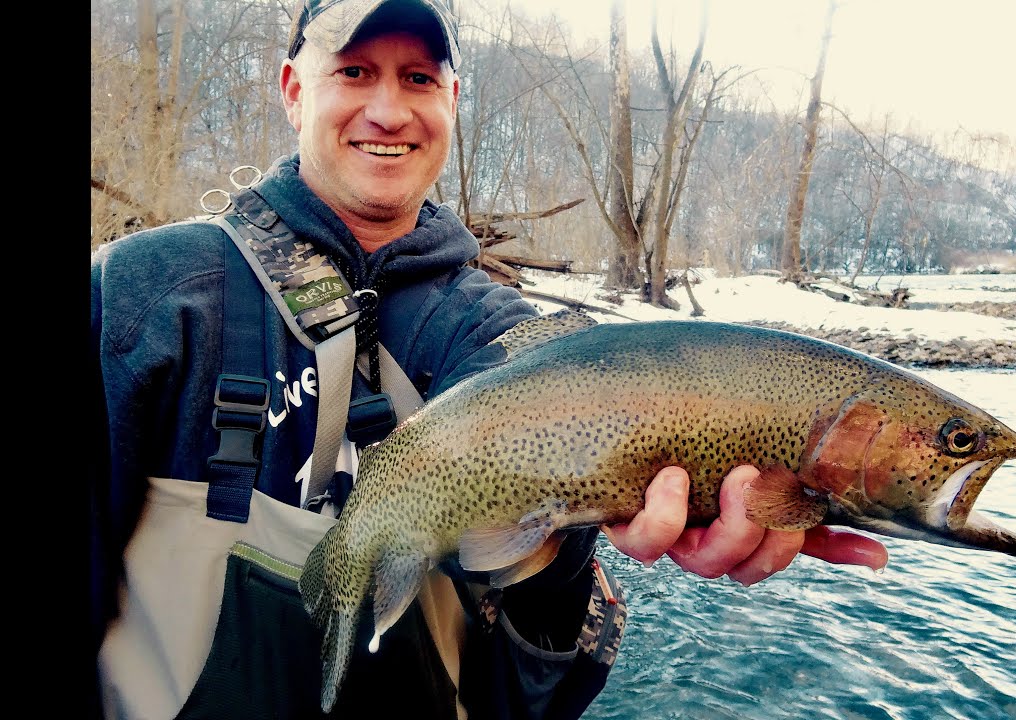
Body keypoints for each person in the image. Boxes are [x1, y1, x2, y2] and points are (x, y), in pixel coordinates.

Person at [90, 0, 889, 717]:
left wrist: (565, 552)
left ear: (452, 102)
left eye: (419, 78)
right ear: (294, 91)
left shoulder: (506, 341)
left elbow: (533, 694)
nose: (388, 110)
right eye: (355, 72)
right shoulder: (146, 296)